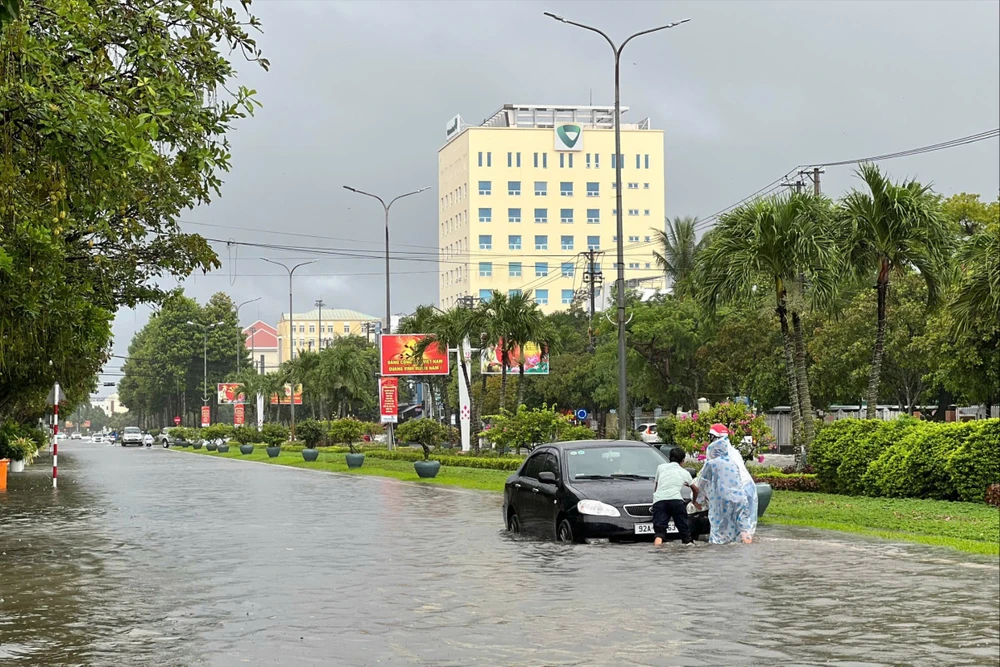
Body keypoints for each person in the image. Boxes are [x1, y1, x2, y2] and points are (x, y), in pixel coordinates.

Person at [691, 424, 758, 544]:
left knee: (719, 532)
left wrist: (697, 501)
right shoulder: (733, 459)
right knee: (743, 529)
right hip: (741, 497)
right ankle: (748, 547)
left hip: (722, 500)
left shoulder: (712, 463)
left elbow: (702, 482)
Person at [652, 447, 699, 546]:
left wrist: (655, 502)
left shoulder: (660, 467)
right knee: (685, 533)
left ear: (669, 457)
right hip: (676, 502)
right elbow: (696, 490)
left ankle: (657, 550)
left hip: (659, 500)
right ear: (683, 461)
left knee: (659, 533)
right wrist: (694, 502)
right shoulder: (684, 472)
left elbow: (657, 487)